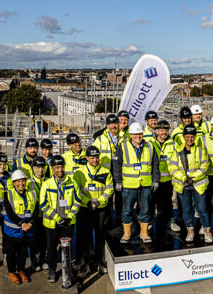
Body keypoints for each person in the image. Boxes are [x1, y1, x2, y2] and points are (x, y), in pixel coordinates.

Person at [113, 122, 160, 244]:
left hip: (145, 185)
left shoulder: (150, 146)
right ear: (130, 135)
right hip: (128, 186)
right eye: (135, 134)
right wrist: (118, 181)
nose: (138, 136)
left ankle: (144, 233)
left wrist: (155, 180)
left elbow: (155, 164)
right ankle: (127, 233)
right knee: (127, 210)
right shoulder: (123, 147)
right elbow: (116, 165)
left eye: (140, 134)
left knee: (145, 209)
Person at [41, 155, 81, 284]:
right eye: (57, 167)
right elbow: (43, 204)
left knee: (67, 247)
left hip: (68, 222)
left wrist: (69, 216)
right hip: (52, 223)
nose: (60, 170)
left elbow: (77, 200)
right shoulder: (47, 184)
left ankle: (67, 270)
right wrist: (58, 218)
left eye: (62, 167)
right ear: (52, 169)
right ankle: (52, 270)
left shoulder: (72, 181)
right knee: (51, 247)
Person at [74, 144, 113, 273]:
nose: (95, 160)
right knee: (84, 236)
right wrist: (88, 202)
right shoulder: (80, 173)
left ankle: (99, 261)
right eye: (92, 158)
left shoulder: (105, 171)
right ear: (86, 158)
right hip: (85, 209)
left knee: (100, 235)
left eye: (96, 157)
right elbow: (77, 190)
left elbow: (109, 189)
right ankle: (83, 261)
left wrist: (99, 201)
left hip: (100, 209)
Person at [171, 124, 212, 244]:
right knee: (187, 209)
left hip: (197, 184)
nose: (190, 139)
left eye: (192, 137)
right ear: (184, 137)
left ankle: (207, 230)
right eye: (187, 137)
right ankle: (190, 229)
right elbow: (172, 168)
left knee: (202, 208)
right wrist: (183, 177)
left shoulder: (200, 150)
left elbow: (204, 167)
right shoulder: (177, 151)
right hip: (183, 184)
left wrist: (193, 178)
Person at [2, 168, 38, 283]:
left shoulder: (32, 193)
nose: (21, 183)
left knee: (23, 252)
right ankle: (12, 272)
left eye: (23, 181)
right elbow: (10, 212)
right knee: (11, 253)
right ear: (13, 183)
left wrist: (30, 223)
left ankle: (21, 270)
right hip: (12, 231)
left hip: (26, 231)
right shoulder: (8, 194)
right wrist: (21, 223)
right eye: (18, 181)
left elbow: (36, 210)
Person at [150, 120, 175, 244]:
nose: (163, 132)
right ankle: (151, 223)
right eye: (161, 130)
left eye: (166, 130)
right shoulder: (150, 143)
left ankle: (170, 221)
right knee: (153, 201)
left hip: (168, 179)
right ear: (157, 131)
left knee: (168, 202)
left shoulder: (173, 143)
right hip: (155, 178)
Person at [27, 156, 49, 269]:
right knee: (33, 240)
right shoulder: (28, 183)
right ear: (32, 168)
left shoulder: (48, 181)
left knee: (44, 239)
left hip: (46, 216)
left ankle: (43, 258)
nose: (40, 170)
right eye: (37, 168)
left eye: (42, 167)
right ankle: (34, 261)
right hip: (34, 217)